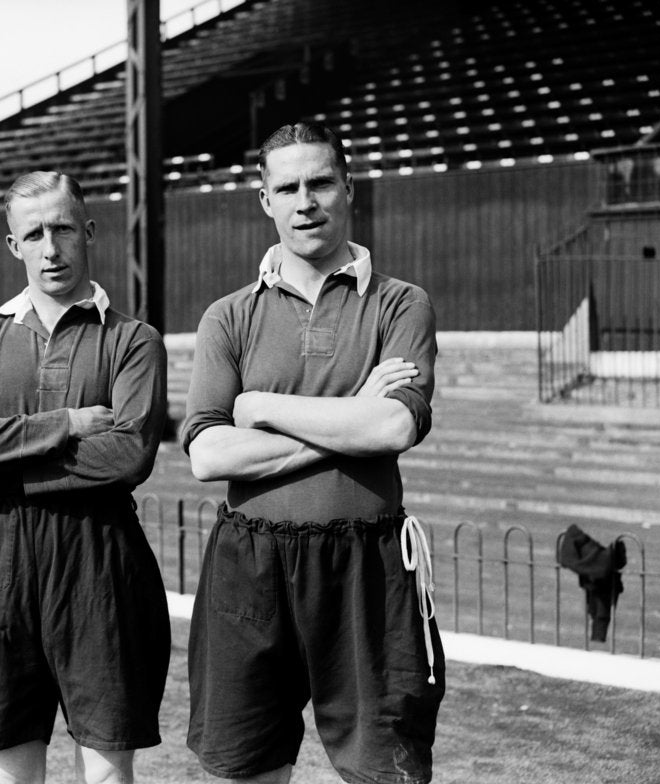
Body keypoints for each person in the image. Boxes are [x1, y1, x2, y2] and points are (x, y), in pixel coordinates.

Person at [182, 122, 445, 784]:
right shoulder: (228, 317)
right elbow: (210, 453)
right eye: (288, 187)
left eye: (321, 182)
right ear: (264, 199)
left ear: (349, 188)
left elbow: (391, 429)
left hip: (369, 565)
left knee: (389, 770)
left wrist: (262, 406)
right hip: (251, 567)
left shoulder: (401, 304)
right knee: (245, 769)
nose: (306, 201)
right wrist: (350, 413)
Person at [0, 171, 170, 784]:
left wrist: (3, 465)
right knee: (10, 769)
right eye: (33, 233)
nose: (50, 247)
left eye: (62, 228)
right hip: (1, 560)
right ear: (14, 245)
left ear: (88, 231)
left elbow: (128, 457)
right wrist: (64, 424)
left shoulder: (132, 340)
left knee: (107, 770)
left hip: (102, 559)